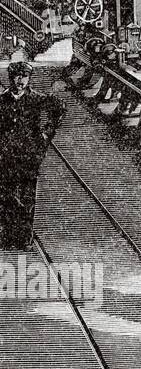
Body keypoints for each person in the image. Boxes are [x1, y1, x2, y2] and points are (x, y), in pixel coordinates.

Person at [0, 61, 64, 251]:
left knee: (27, 198)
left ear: (29, 79)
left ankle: (24, 238)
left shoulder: (37, 99)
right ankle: (6, 236)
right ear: (11, 78)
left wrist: (46, 135)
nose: (21, 81)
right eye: (17, 77)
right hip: (6, 156)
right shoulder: (2, 100)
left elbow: (60, 109)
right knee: (5, 197)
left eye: (25, 77)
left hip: (29, 157)